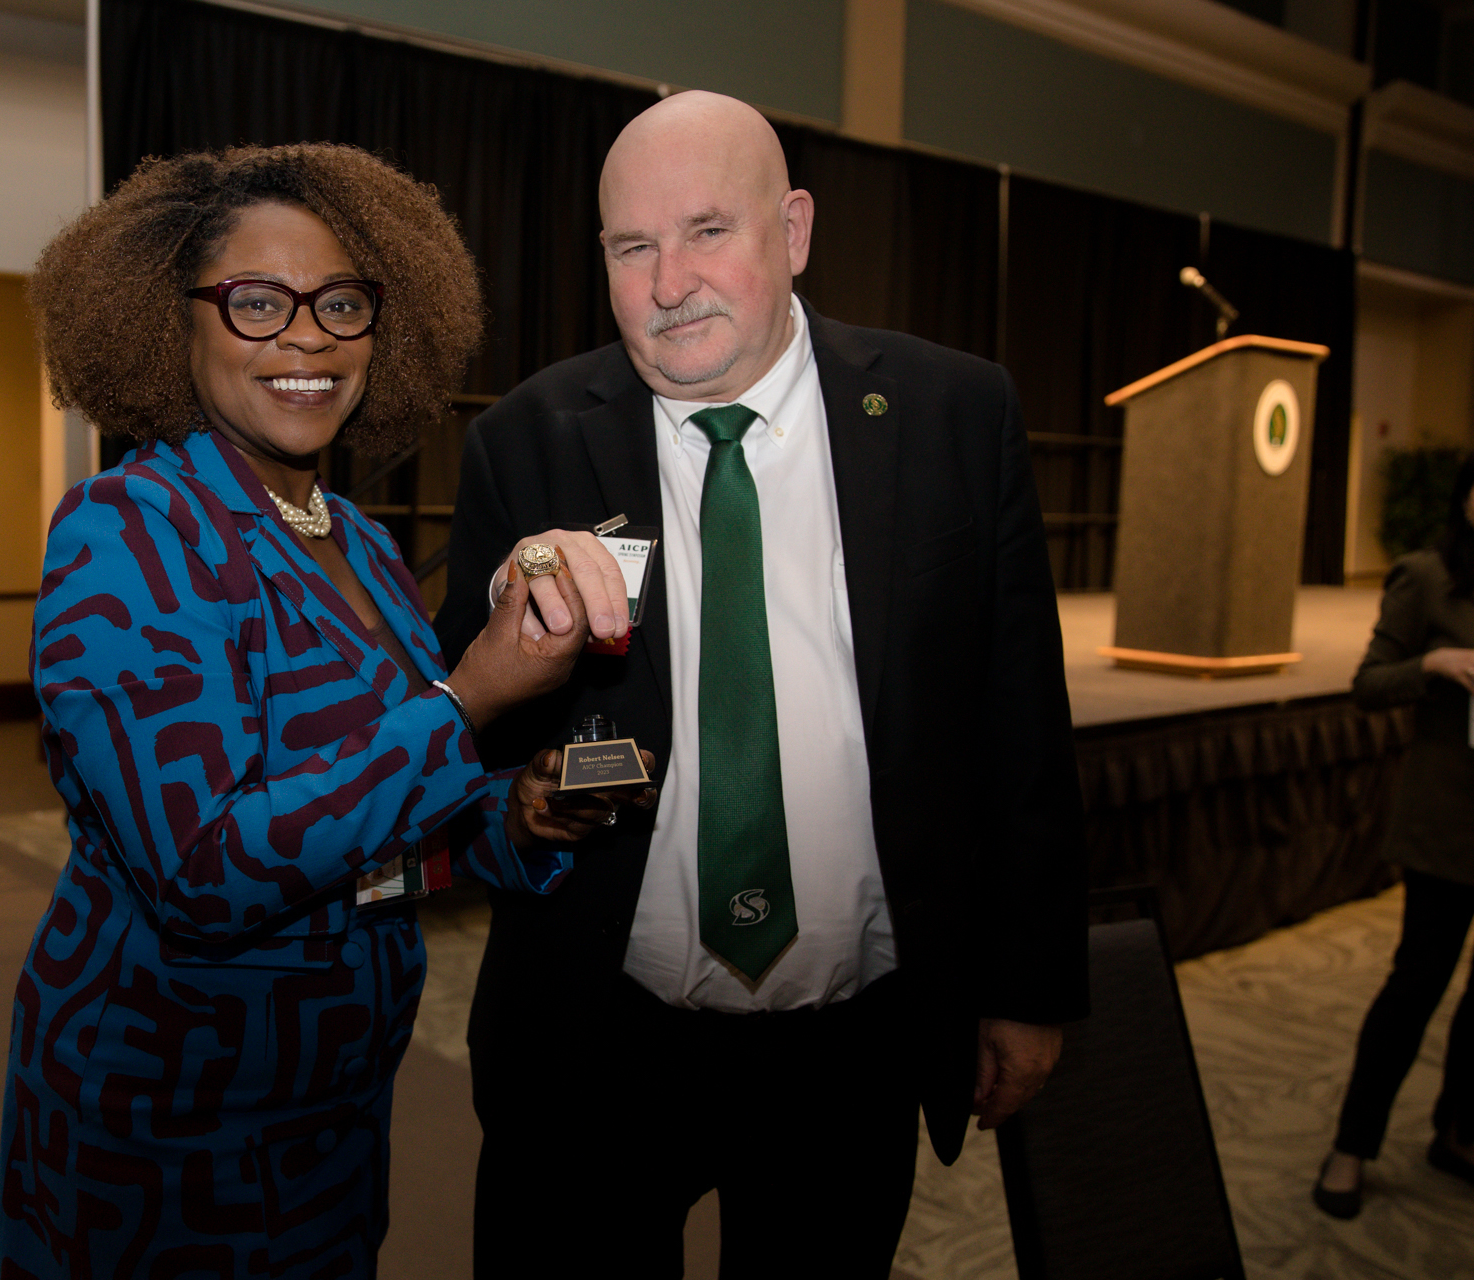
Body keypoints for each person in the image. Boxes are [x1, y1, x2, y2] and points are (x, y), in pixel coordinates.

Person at [433, 91, 1088, 1277]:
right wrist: (518, 753)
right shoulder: (526, 439)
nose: (670, 279)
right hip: (600, 1032)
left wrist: (1029, 982)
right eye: (633, 248)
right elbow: (465, 741)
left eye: (707, 231)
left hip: (853, 1047)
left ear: (793, 230)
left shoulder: (953, 413)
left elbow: (1018, 724)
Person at [0, 143, 646, 1279]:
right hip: (166, 1114)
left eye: (341, 302)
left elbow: (372, 843)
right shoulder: (127, 529)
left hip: (334, 1106)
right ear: (174, 321)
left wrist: (512, 816)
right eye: (257, 302)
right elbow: (200, 864)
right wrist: (473, 696)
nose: (308, 336)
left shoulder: (364, 544)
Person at [1315, 455, 1474, 1219]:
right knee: (1415, 987)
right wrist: (1434, 663)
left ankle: (1459, 1131)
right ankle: (1351, 1147)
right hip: (1448, 821)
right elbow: (1369, 684)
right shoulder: (1425, 576)